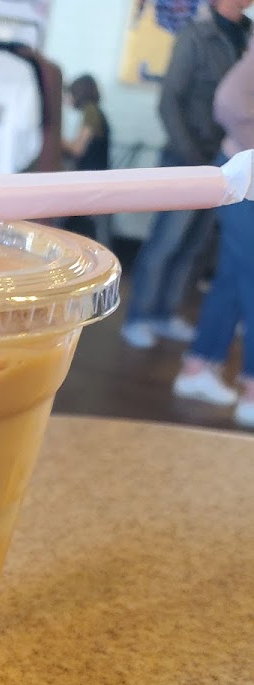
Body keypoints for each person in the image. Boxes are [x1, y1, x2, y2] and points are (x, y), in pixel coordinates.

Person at [121, 0, 251, 350]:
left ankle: (165, 313)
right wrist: (191, 154)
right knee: (167, 240)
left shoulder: (247, 35)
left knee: (195, 244)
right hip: (186, 158)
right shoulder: (196, 35)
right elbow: (169, 100)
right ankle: (139, 316)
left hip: (226, 162)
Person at [171, 39, 254, 428]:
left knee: (234, 277)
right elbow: (229, 101)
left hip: (242, 175)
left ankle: (198, 368)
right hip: (243, 176)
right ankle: (251, 390)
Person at [61, 74, 110, 240]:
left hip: (92, 181)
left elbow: (78, 149)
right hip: (96, 178)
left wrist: (54, 140)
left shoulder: (91, 112)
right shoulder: (95, 112)